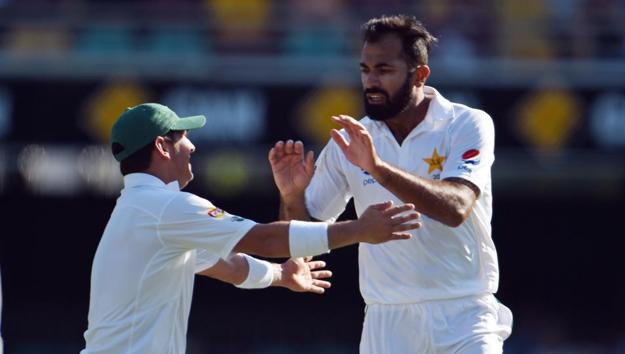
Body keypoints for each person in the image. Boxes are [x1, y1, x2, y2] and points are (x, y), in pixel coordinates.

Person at [81, 103, 420, 354]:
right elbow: (266, 239)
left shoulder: (142, 209)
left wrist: (281, 275)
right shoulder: (165, 206)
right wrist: (360, 229)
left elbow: (227, 265)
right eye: (183, 137)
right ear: (161, 146)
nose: (192, 146)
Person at [269, 15, 513, 353]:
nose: (371, 81)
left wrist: (379, 169)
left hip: (464, 315)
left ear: (420, 75)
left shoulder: (467, 123)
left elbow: (457, 207)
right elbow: (304, 237)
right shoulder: (350, 140)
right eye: (365, 70)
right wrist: (292, 196)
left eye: (384, 70)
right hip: (387, 322)